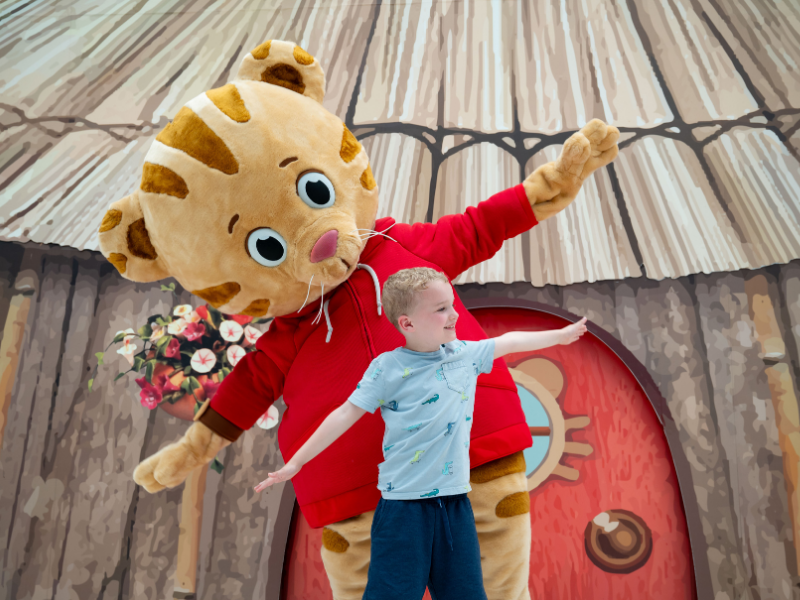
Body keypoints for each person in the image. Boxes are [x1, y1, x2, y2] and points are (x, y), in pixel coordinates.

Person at [255, 267, 587, 600]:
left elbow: (510, 341)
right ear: (407, 323)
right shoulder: (387, 368)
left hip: (455, 505)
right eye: (441, 308)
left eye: (452, 304)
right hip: (403, 509)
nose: (454, 314)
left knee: (467, 594)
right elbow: (345, 414)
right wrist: (296, 463)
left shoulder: (465, 356)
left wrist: (560, 335)